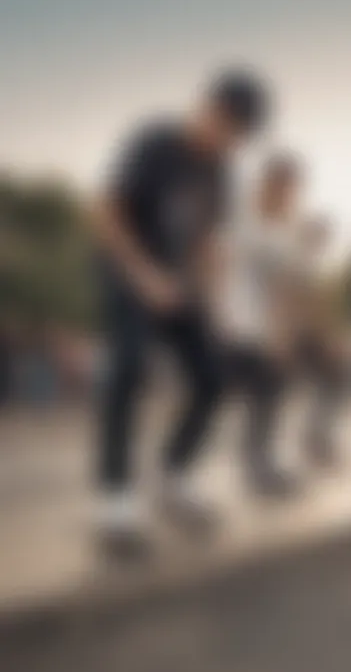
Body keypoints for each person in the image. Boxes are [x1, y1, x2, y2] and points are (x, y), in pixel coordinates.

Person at [92, 68, 271, 549]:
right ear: (207, 109)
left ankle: (173, 477)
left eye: (240, 137)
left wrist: (216, 310)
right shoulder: (156, 141)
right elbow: (107, 212)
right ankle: (116, 501)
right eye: (227, 128)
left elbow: (210, 245)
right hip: (128, 266)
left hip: (177, 279)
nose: (230, 143)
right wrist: (144, 276)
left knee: (214, 376)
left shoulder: (220, 172)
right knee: (129, 367)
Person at [215, 153, 306, 498]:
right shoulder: (239, 222)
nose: (286, 196)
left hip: (266, 333)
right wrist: (216, 316)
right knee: (211, 395)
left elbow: (285, 288)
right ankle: (176, 467)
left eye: (291, 191)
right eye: (280, 187)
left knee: (268, 398)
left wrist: (283, 334)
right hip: (232, 326)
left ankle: (260, 465)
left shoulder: (286, 233)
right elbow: (217, 267)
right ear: (265, 186)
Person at [291, 215, 346, 467]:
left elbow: (321, 307)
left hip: (308, 336)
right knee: (332, 382)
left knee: (333, 383)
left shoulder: (310, 264)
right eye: (320, 236)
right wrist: (327, 339)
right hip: (300, 336)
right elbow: (308, 306)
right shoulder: (299, 263)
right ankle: (314, 441)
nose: (323, 243)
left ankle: (315, 439)